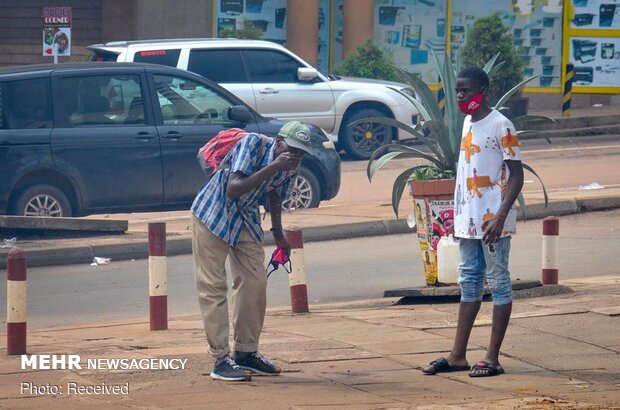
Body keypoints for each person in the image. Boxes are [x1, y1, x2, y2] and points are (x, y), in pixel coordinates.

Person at [191, 121, 313, 382]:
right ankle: (220, 359)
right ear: (279, 141)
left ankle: (246, 352)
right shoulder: (254, 144)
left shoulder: (291, 164)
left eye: (301, 153)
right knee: (213, 286)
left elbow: (276, 194)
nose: (295, 156)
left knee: (254, 283)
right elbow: (233, 188)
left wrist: (278, 233)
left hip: (245, 217)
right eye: (292, 149)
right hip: (213, 212)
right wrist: (275, 165)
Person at [422, 67, 524, 378]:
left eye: (466, 90)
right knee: (469, 283)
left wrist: (501, 215)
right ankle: (457, 356)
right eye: (457, 90)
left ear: (484, 89)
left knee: (499, 282)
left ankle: (492, 357)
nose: (460, 95)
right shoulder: (467, 122)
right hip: (468, 222)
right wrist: (458, 216)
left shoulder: (501, 126)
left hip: (494, 221)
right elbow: (466, 173)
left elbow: (516, 176)